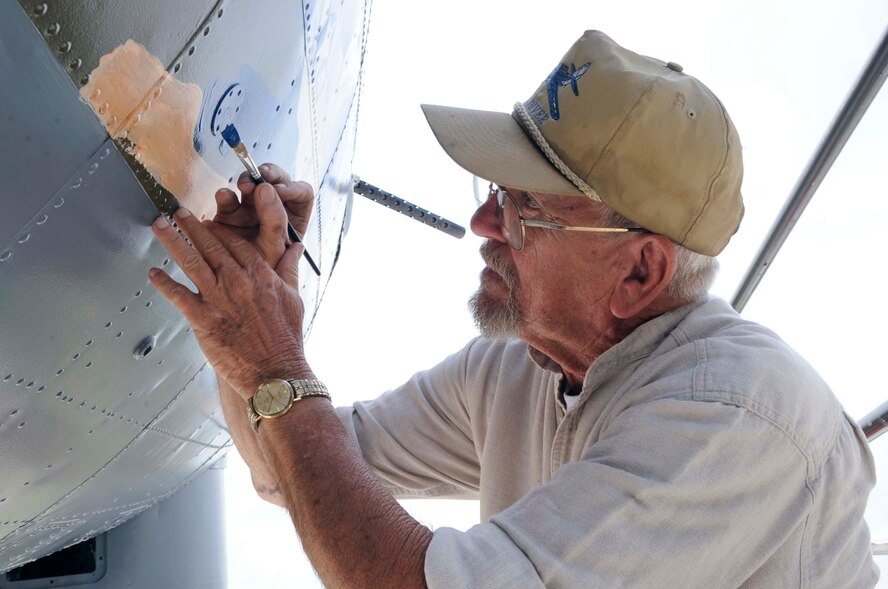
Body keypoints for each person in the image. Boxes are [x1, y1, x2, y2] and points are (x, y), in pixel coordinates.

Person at [149, 31, 878, 588]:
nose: (486, 226)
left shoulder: (734, 411)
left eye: (526, 209)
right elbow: (291, 468)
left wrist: (277, 365)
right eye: (495, 194)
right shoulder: (517, 368)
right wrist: (257, 311)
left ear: (640, 270)